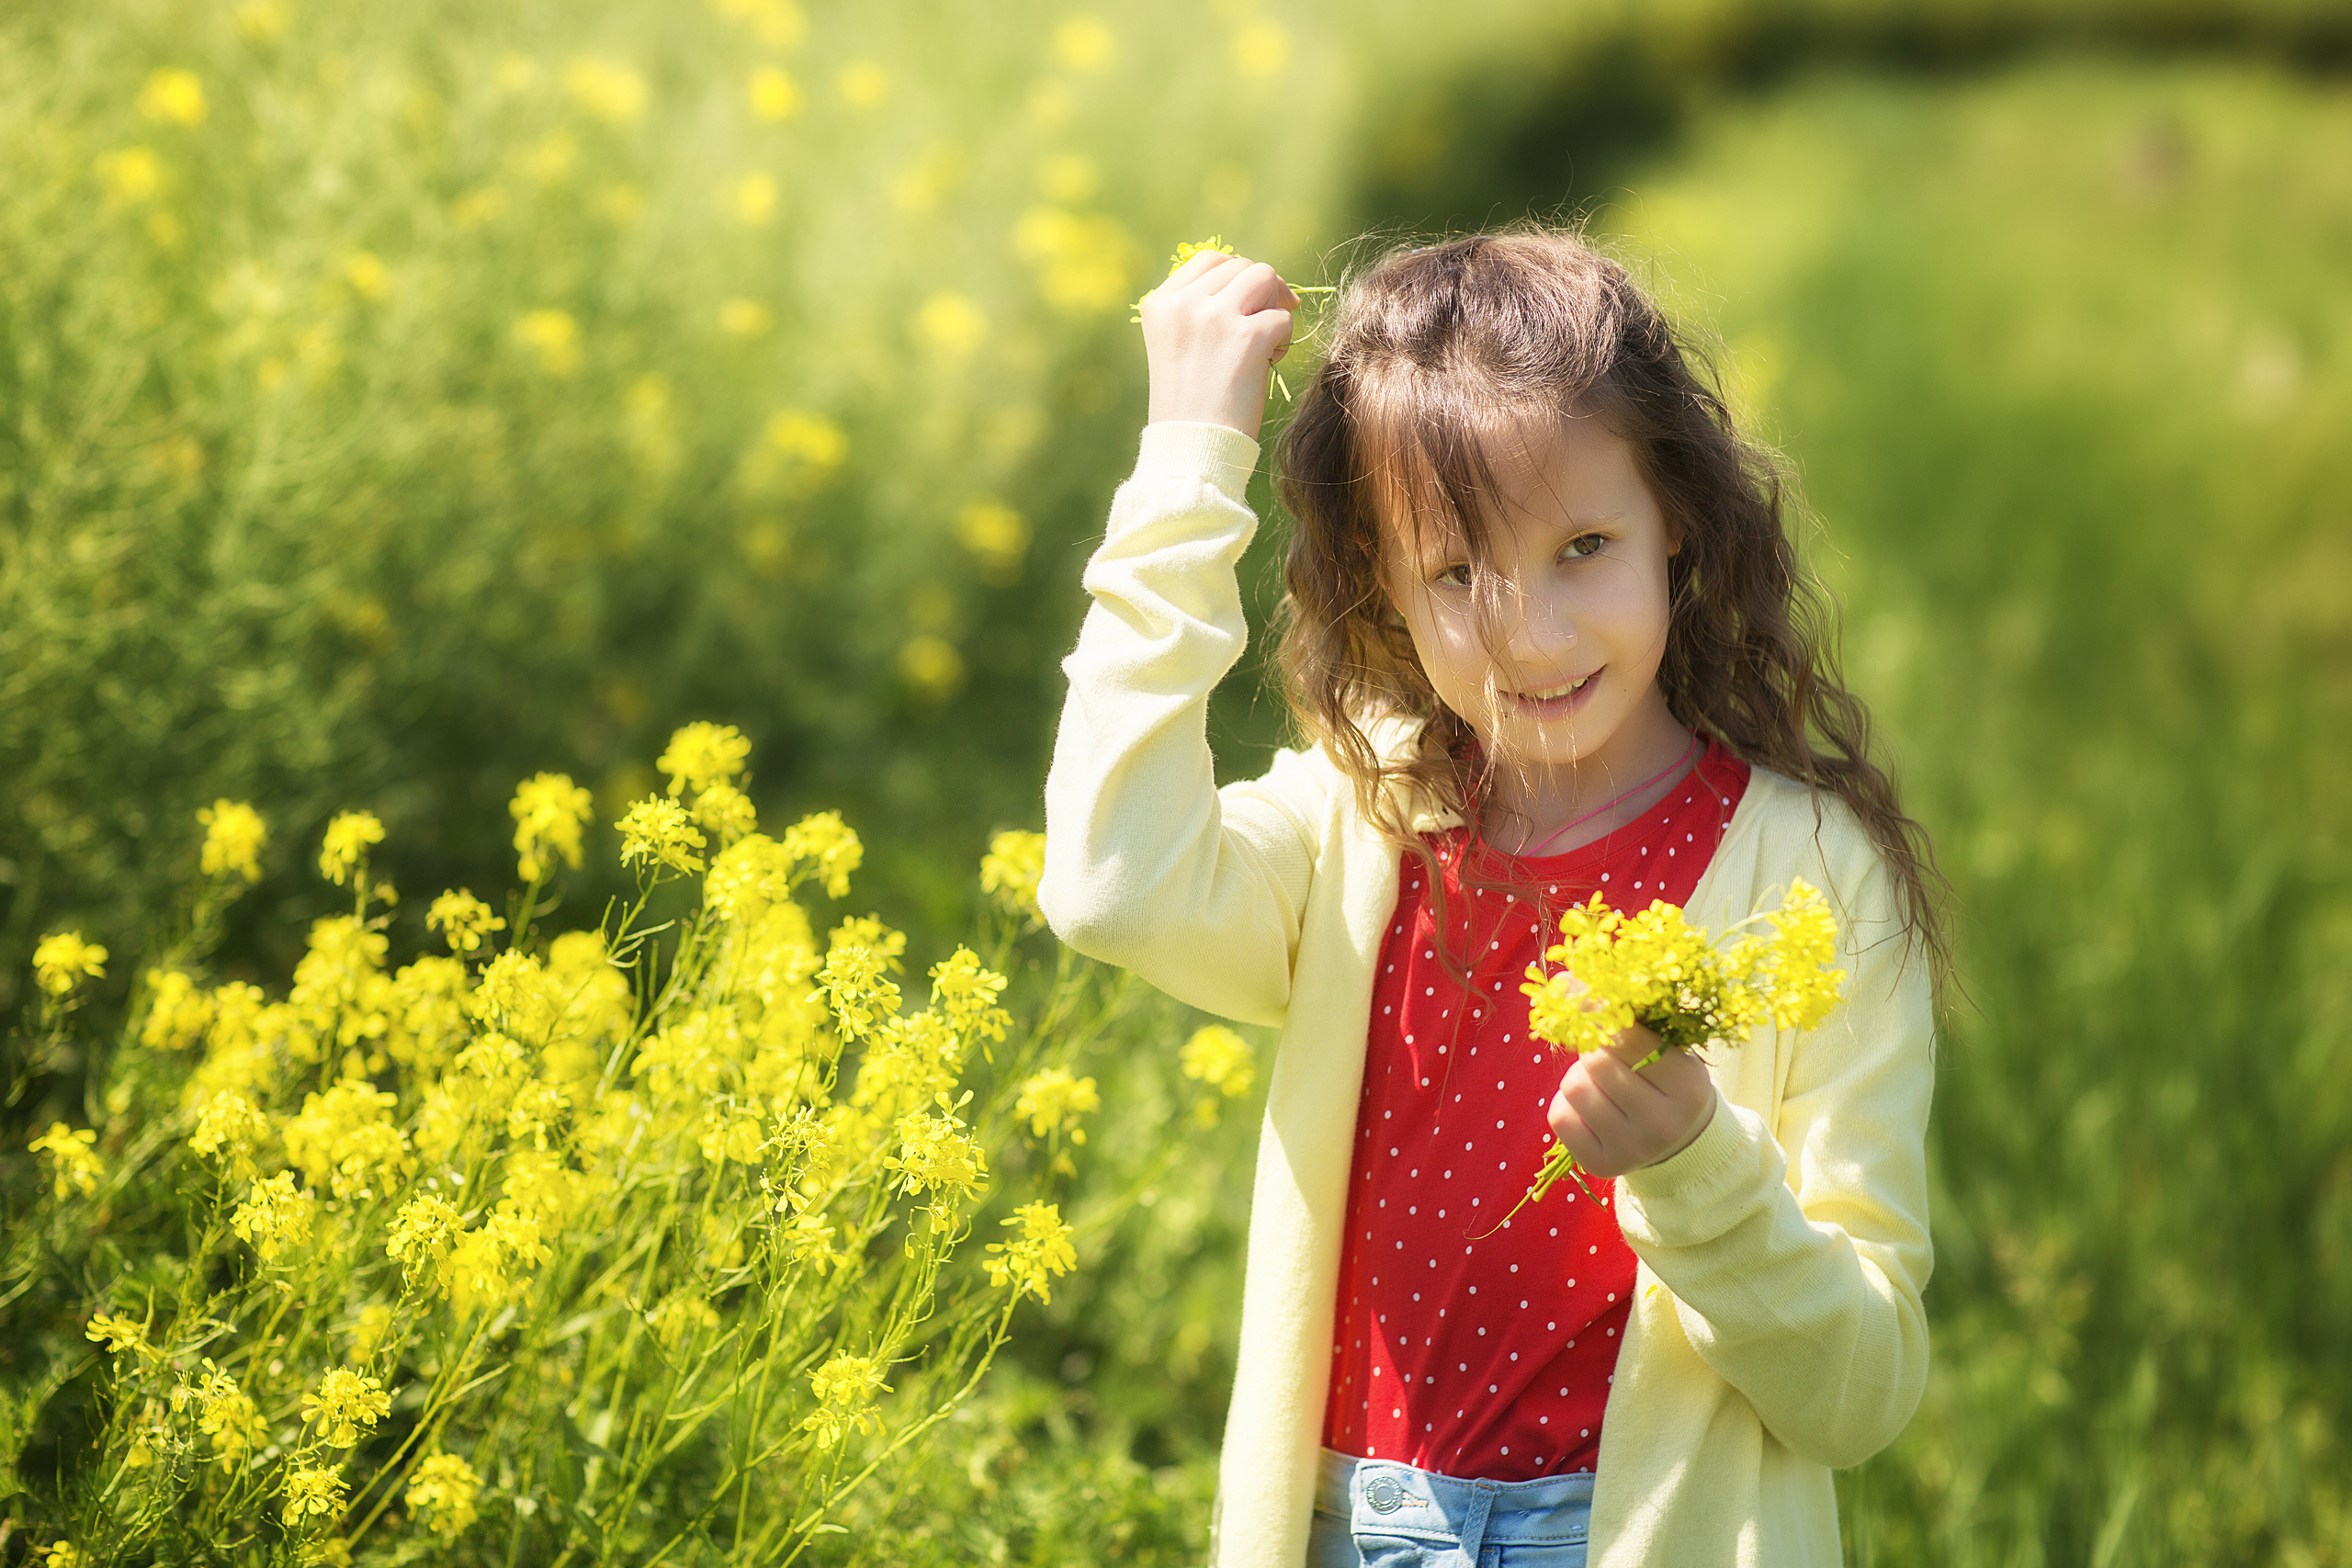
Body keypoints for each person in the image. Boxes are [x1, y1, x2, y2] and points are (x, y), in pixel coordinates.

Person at [1037, 222, 1943, 1568]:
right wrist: (1186, 463)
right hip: (1349, 1524)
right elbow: (1113, 887)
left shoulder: (1811, 874)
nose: (1529, 635)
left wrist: (1699, 1170)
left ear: (1676, 517)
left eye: (1583, 545)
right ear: (1383, 590)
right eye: (1457, 575)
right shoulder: (1364, 821)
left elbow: (1859, 1394)